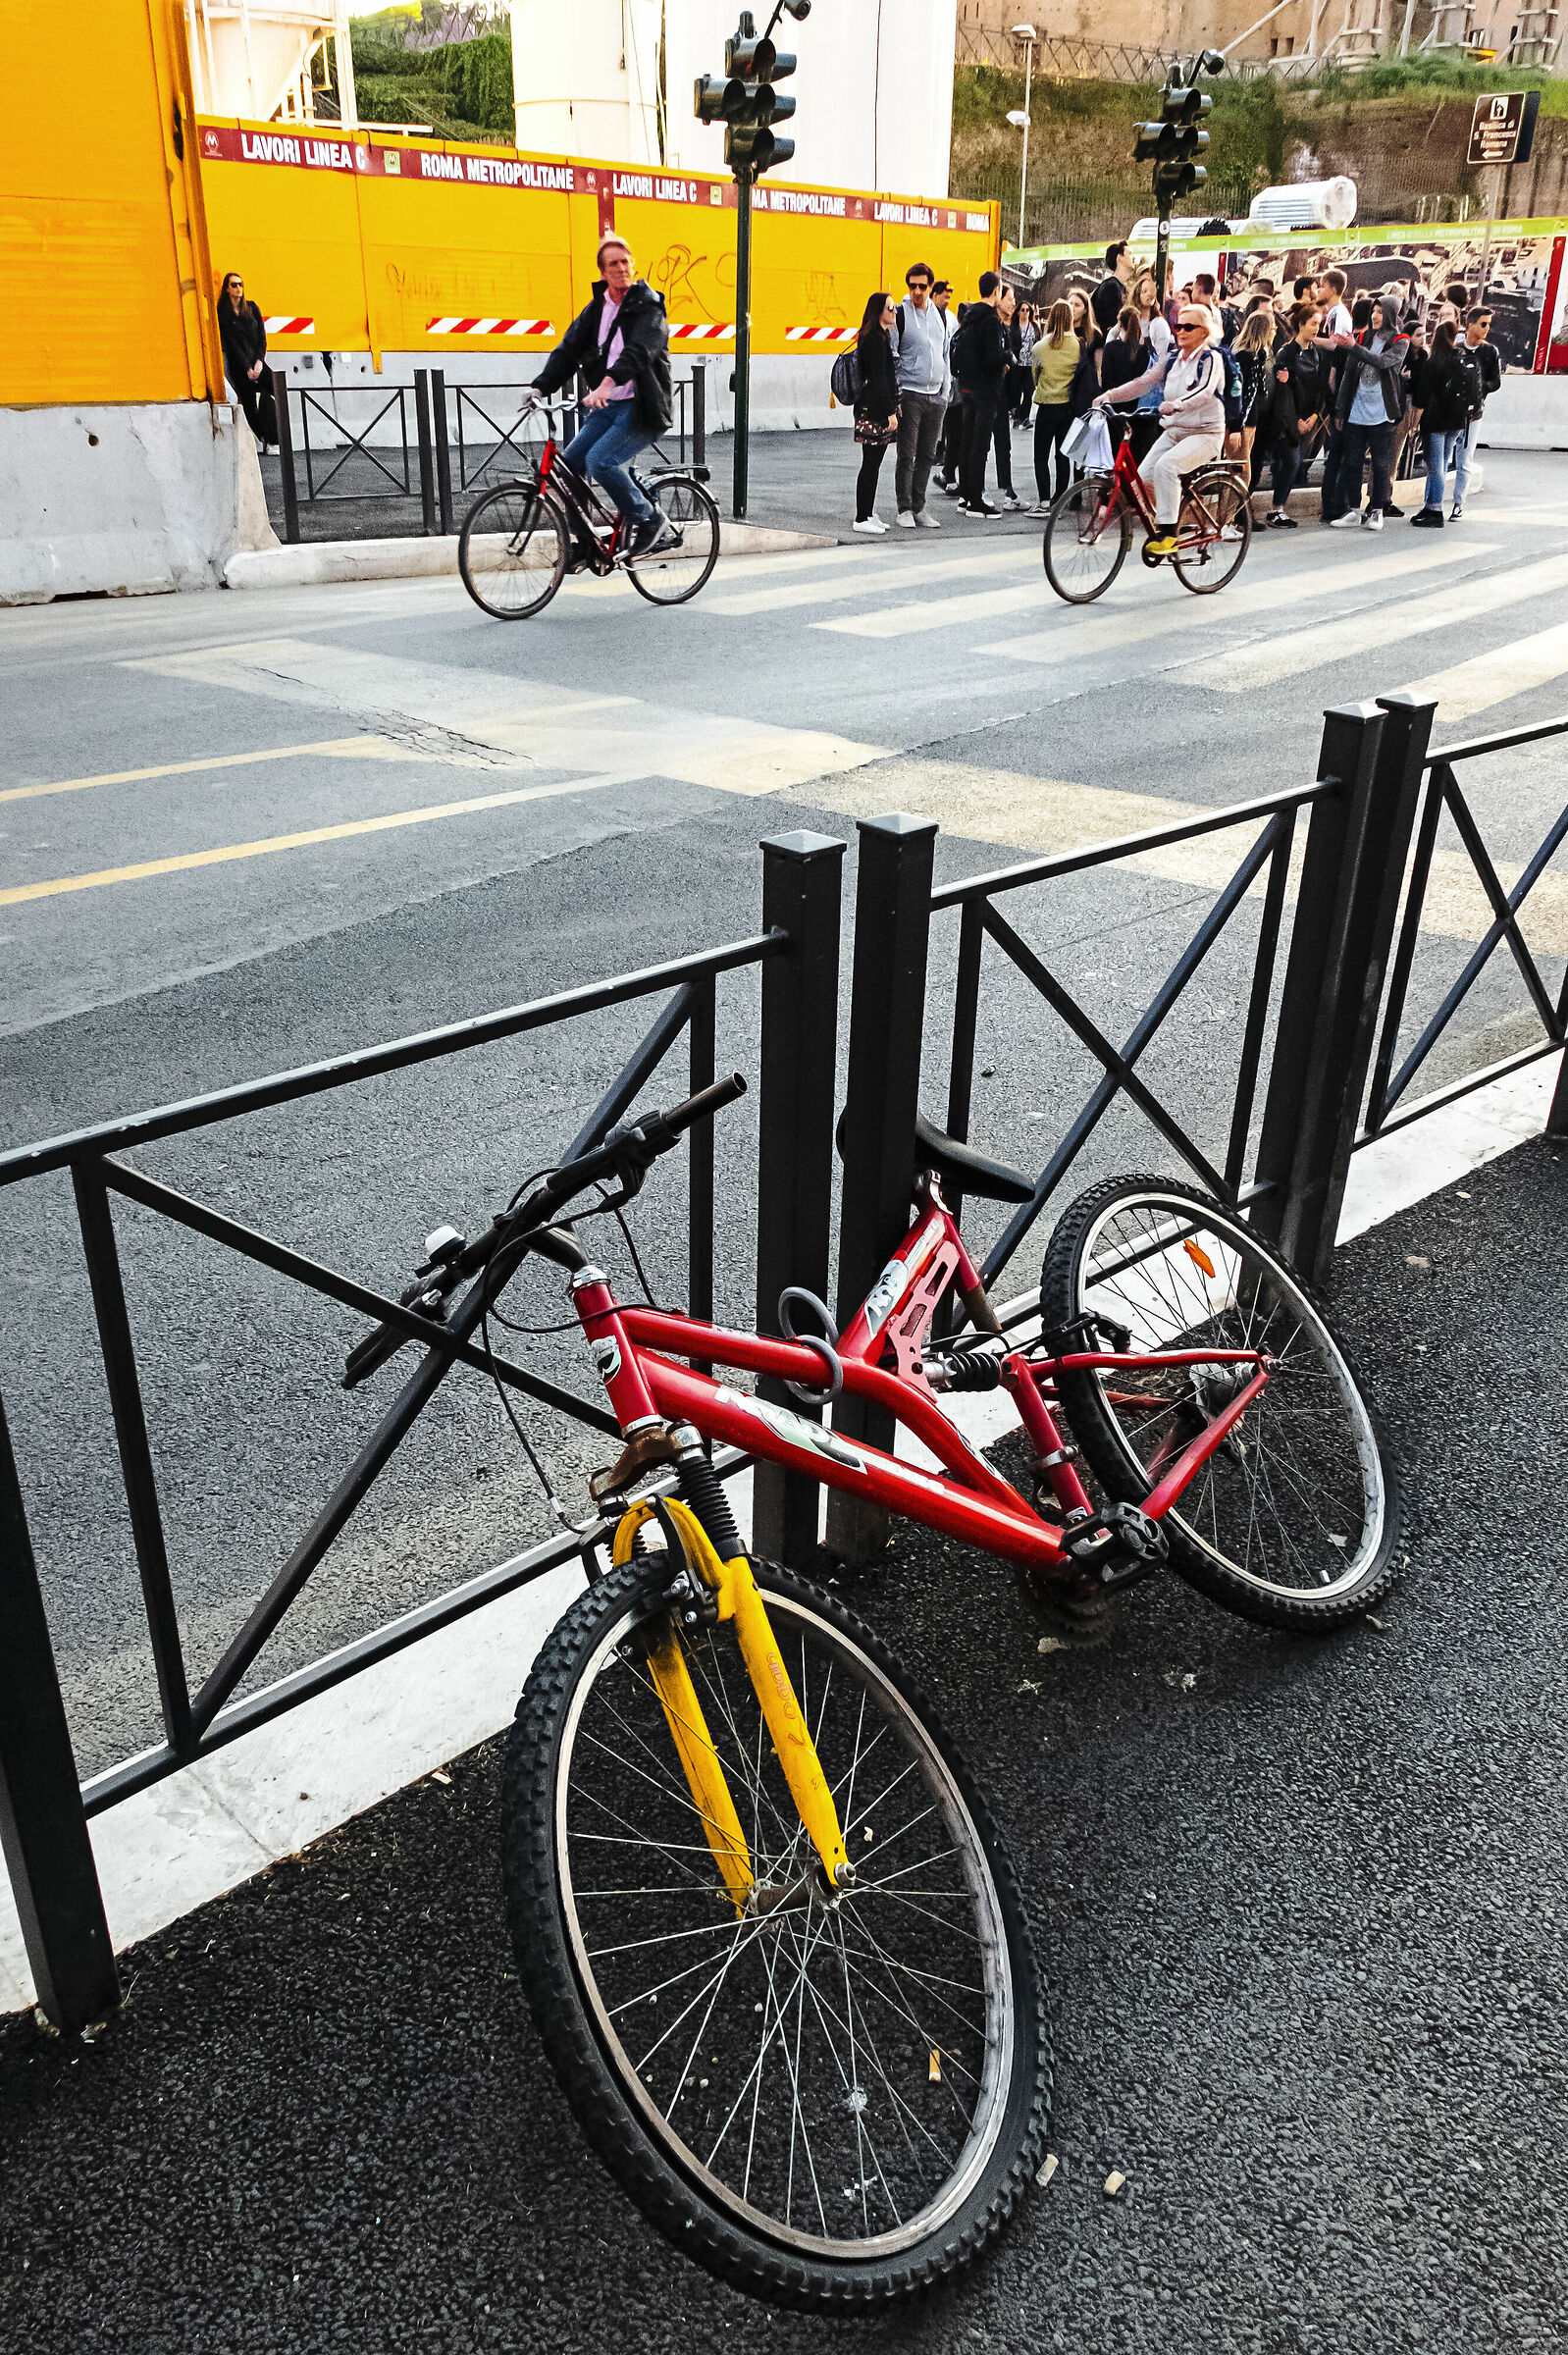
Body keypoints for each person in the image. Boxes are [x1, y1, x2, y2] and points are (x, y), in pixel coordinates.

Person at [529, 235, 674, 555]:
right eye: (614, 264)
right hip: (609, 405)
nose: (622, 269)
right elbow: (568, 351)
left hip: (642, 407)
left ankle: (650, 520)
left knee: (601, 462)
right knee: (569, 466)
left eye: (626, 262)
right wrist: (540, 386)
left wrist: (605, 384)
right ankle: (584, 543)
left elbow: (639, 352)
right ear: (603, 272)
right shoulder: (597, 310)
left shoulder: (648, 305)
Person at [1095, 302, 1226, 558]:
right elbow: (1143, 383)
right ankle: (1173, 515)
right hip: (1174, 430)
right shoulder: (1173, 359)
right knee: (1142, 479)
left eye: (1189, 326)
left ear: (1204, 331)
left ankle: (1168, 533)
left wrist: (1178, 404)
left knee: (1166, 467)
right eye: (1178, 326)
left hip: (1205, 433)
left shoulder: (1212, 358)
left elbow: (1205, 390)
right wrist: (1109, 395)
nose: (1181, 331)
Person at [1325, 296, 1410, 532]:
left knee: (1381, 464)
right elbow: (1348, 376)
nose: (1375, 316)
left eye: (1381, 312)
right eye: (1374, 311)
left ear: (1391, 314)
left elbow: (1383, 362)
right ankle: (1353, 509)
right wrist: (1341, 408)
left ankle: (1376, 510)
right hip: (1357, 409)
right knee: (1352, 461)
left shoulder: (1400, 341)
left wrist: (1354, 347)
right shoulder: (1362, 338)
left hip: (1382, 412)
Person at [890, 261, 951, 529]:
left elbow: (945, 352)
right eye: (912, 285)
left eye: (922, 286)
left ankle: (919, 506)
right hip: (910, 394)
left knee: (927, 455)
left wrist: (946, 392)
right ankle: (904, 508)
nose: (917, 291)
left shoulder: (939, 315)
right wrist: (896, 396)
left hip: (935, 395)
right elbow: (892, 356)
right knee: (907, 454)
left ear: (929, 287)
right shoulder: (901, 314)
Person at [1261, 302, 1324, 528]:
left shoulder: (1317, 353)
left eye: (1319, 323)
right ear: (1301, 324)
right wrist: (1294, 420)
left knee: (1292, 464)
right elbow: (1283, 392)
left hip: (1308, 418)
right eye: (1313, 323)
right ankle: (1276, 509)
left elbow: (1320, 388)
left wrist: (1315, 416)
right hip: (1287, 419)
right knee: (1290, 461)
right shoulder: (1286, 352)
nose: (1317, 328)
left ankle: (1279, 508)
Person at [956, 271, 1012, 518]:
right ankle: (976, 501)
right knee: (980, 445)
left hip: (966, 386)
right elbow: (990, 358)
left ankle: (965, 496)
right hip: (985, 390)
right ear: (997, 291)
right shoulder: (989, 319)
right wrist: (1007, 356)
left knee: (967, 442)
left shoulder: (970, 316)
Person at [1408, 318, 1471, 529]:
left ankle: (1434, 508)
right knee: (1442, 463)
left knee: (1434, 466)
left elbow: (1422, 397)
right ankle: (1429, 506)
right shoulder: (1460, 359)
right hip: (1456, 420)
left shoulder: (1433, 362)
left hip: (1435, 421)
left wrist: (1414, 425)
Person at [851, 289, 900, 532]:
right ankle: (861, 518)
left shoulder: (881, 336)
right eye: (890, 307)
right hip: (873, 410)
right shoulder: (874, 339)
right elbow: (879, 379)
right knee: (870, 463)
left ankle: (868, 512)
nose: (894, 311)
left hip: (875, 407)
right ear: (878, 311)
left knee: (874, 463)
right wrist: (891, 412)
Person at [1028, 298, 1079, 512]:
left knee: (1041, 455)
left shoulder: (1040, 348)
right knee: (1062, 455)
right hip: (1067, 407)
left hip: (1047, 406)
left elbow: (1035, 376)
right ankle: (1060, 497)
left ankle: (1043, 501)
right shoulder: (1077, 345)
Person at [1451, 307, 1502, 521]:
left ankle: (1458, 503)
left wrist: (1478, 387)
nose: (1486, 328)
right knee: (1444, 457)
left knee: (1465, 459)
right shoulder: (1455, 349)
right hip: (1450, 412)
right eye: (1483, 324)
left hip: (1474, 414)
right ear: (1470, 324)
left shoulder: (1490, 352)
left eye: (1489, 324)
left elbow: (1496, 382)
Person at [217, 271, 278, 445]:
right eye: (234, 285)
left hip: (257, 361)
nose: (238, 288)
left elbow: (262, 338)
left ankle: (274, 436)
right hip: (239, 365)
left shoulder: (251, 308)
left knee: (277, 391)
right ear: (227, 289)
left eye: (241, 284)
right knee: (249, 405)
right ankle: (263, 438)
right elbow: (232, 344)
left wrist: (259, 361)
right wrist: (247, 368)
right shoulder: (224, 313)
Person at [1126, 269, 1174, 463]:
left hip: (1150, 391)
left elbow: (1160, 360)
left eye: (1151, 291)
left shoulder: (1158, 324)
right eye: (1144, 291)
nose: (1148, 295)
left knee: (1145, 442)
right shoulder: (1132, 321)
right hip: (1133, 387)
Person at [1099, 301, 1150, 461]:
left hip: (1113, 407)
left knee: (1113, 450)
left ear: (1120, 324)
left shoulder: (1111, 348)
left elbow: (1106, 377)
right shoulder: (1143, 351)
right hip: (1133, 406)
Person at [1228, 304, 1276, 477]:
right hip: (1243, 421)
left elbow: (1258, 392)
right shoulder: (1247, 357)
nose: (1275, 332)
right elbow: (1244, 395)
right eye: (1272, 328)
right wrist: (1237, 427)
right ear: (1263, 331)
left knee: (1238, 470)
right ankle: (1234, 505)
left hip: (1248, 420)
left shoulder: (1255, 355)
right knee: (1240, 473)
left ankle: (1233, 504)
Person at [1092, 240, 1133, 337]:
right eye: (1130, 254)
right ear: (1120, 258)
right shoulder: (1111, 287)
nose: (1134, 257)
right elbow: (1115, 322)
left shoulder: (1117, 286)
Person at [1317, 267, 1354, 340]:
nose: (1319, 290)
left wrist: (1309, 338)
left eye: (1323, 286)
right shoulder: (1334, 311)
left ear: (1332, 290)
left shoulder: (1337, 313)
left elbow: (1333, 344)